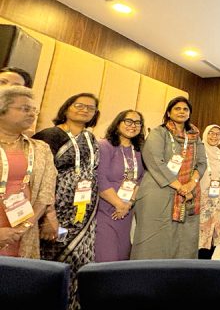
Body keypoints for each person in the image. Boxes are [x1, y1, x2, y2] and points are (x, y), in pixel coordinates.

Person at [33, 92, 100, 310]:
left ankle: (73, 304)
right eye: (79, 105)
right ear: (67, 107)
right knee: (52, 258)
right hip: (55, 210)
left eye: (90, 108)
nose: (85, 110)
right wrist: (48, 215)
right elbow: (41, 177)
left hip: (84, 213)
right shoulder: (50, 135)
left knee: (79, 261)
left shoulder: (91, 139)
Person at [131, 96, 206, 260]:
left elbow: (202, 163)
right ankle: (147, 273)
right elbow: (155, 161)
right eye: (177, 108)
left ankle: (177, 274)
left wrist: (191, 184)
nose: (181, 112)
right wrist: (180, 186)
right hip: (159, 191)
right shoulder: (159, 133)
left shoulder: (195, 137)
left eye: (185, 109)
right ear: (169, 113)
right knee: (154, 240)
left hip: (187, 194)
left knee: (184, 240)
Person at [0, 86, 55, 258]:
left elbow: (45, 193)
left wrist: (22, 229)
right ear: (2, 110)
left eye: (34, 110)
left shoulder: (40, 148)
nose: (32, 114)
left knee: (17, 272)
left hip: (23, 226)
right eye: (25, 109)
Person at [94, 109, 145, 262]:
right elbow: (100, 178)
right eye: (128, 121)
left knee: (122, 257)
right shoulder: (105, 146)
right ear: (118, 123)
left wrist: (129, 203)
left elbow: (142, 179)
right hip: (105, 210)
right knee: (106, 258)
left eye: (137, 123)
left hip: (128, 211)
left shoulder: (140, 150)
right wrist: (119, 204)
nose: (133, 125)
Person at [198, 124, 220, 260]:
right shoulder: (199, 150)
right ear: (205, 134)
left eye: (218, 134)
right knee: (201, 234)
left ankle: (207, 263)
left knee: (214, 233)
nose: (214, 136)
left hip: (217, 200)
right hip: (202, 199)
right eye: (211, 133)